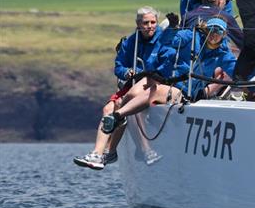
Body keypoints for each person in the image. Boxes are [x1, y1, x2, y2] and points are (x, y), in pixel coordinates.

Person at [73, 7, 175, 170]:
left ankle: (139, 150)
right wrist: (126, 72)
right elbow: (119, 66)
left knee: (128, 103)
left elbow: (167, 64)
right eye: (145, 23)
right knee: (108, 109)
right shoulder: (130, 42)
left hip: (154, 82)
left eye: (153, 22)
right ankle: (98, 154)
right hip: (133, 83)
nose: (149, 26)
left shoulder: (164, 40)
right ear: (138, 24)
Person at [100, 18, 237, 135]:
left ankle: (118, 116)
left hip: (185, 91)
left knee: (156, 91)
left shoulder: (223, 54)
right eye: (212, 29)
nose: (214, 34)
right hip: (168, 80)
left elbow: (236, 70)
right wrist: (172, 28)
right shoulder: (191, 36)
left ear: (224, 34)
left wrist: (253, 78)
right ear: (206, 29)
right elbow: (170, 41)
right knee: (134, 93)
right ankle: (117, 124)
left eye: (218, 31)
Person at [164, 0, 244, 50]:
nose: (226, 4)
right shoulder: (225, 17)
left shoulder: (188, 16)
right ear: (219, 0)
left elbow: (179, 40)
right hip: (216, 61)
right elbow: (242, 42)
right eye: (226, 1)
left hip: (190, 62)